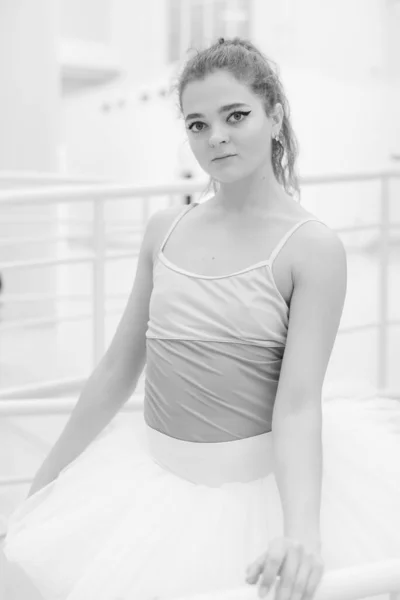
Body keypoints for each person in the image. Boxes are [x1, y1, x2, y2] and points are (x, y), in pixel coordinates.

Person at [3, 37, 400, 600]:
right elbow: (118, 366)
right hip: (150, 485)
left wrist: (302, 532)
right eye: (197, 123)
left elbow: (298, 403)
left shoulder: (311, 248)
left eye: (235, 115)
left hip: (249, 496)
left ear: (275, 116)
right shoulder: (165, 228)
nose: (216, 136)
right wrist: (45, 482)